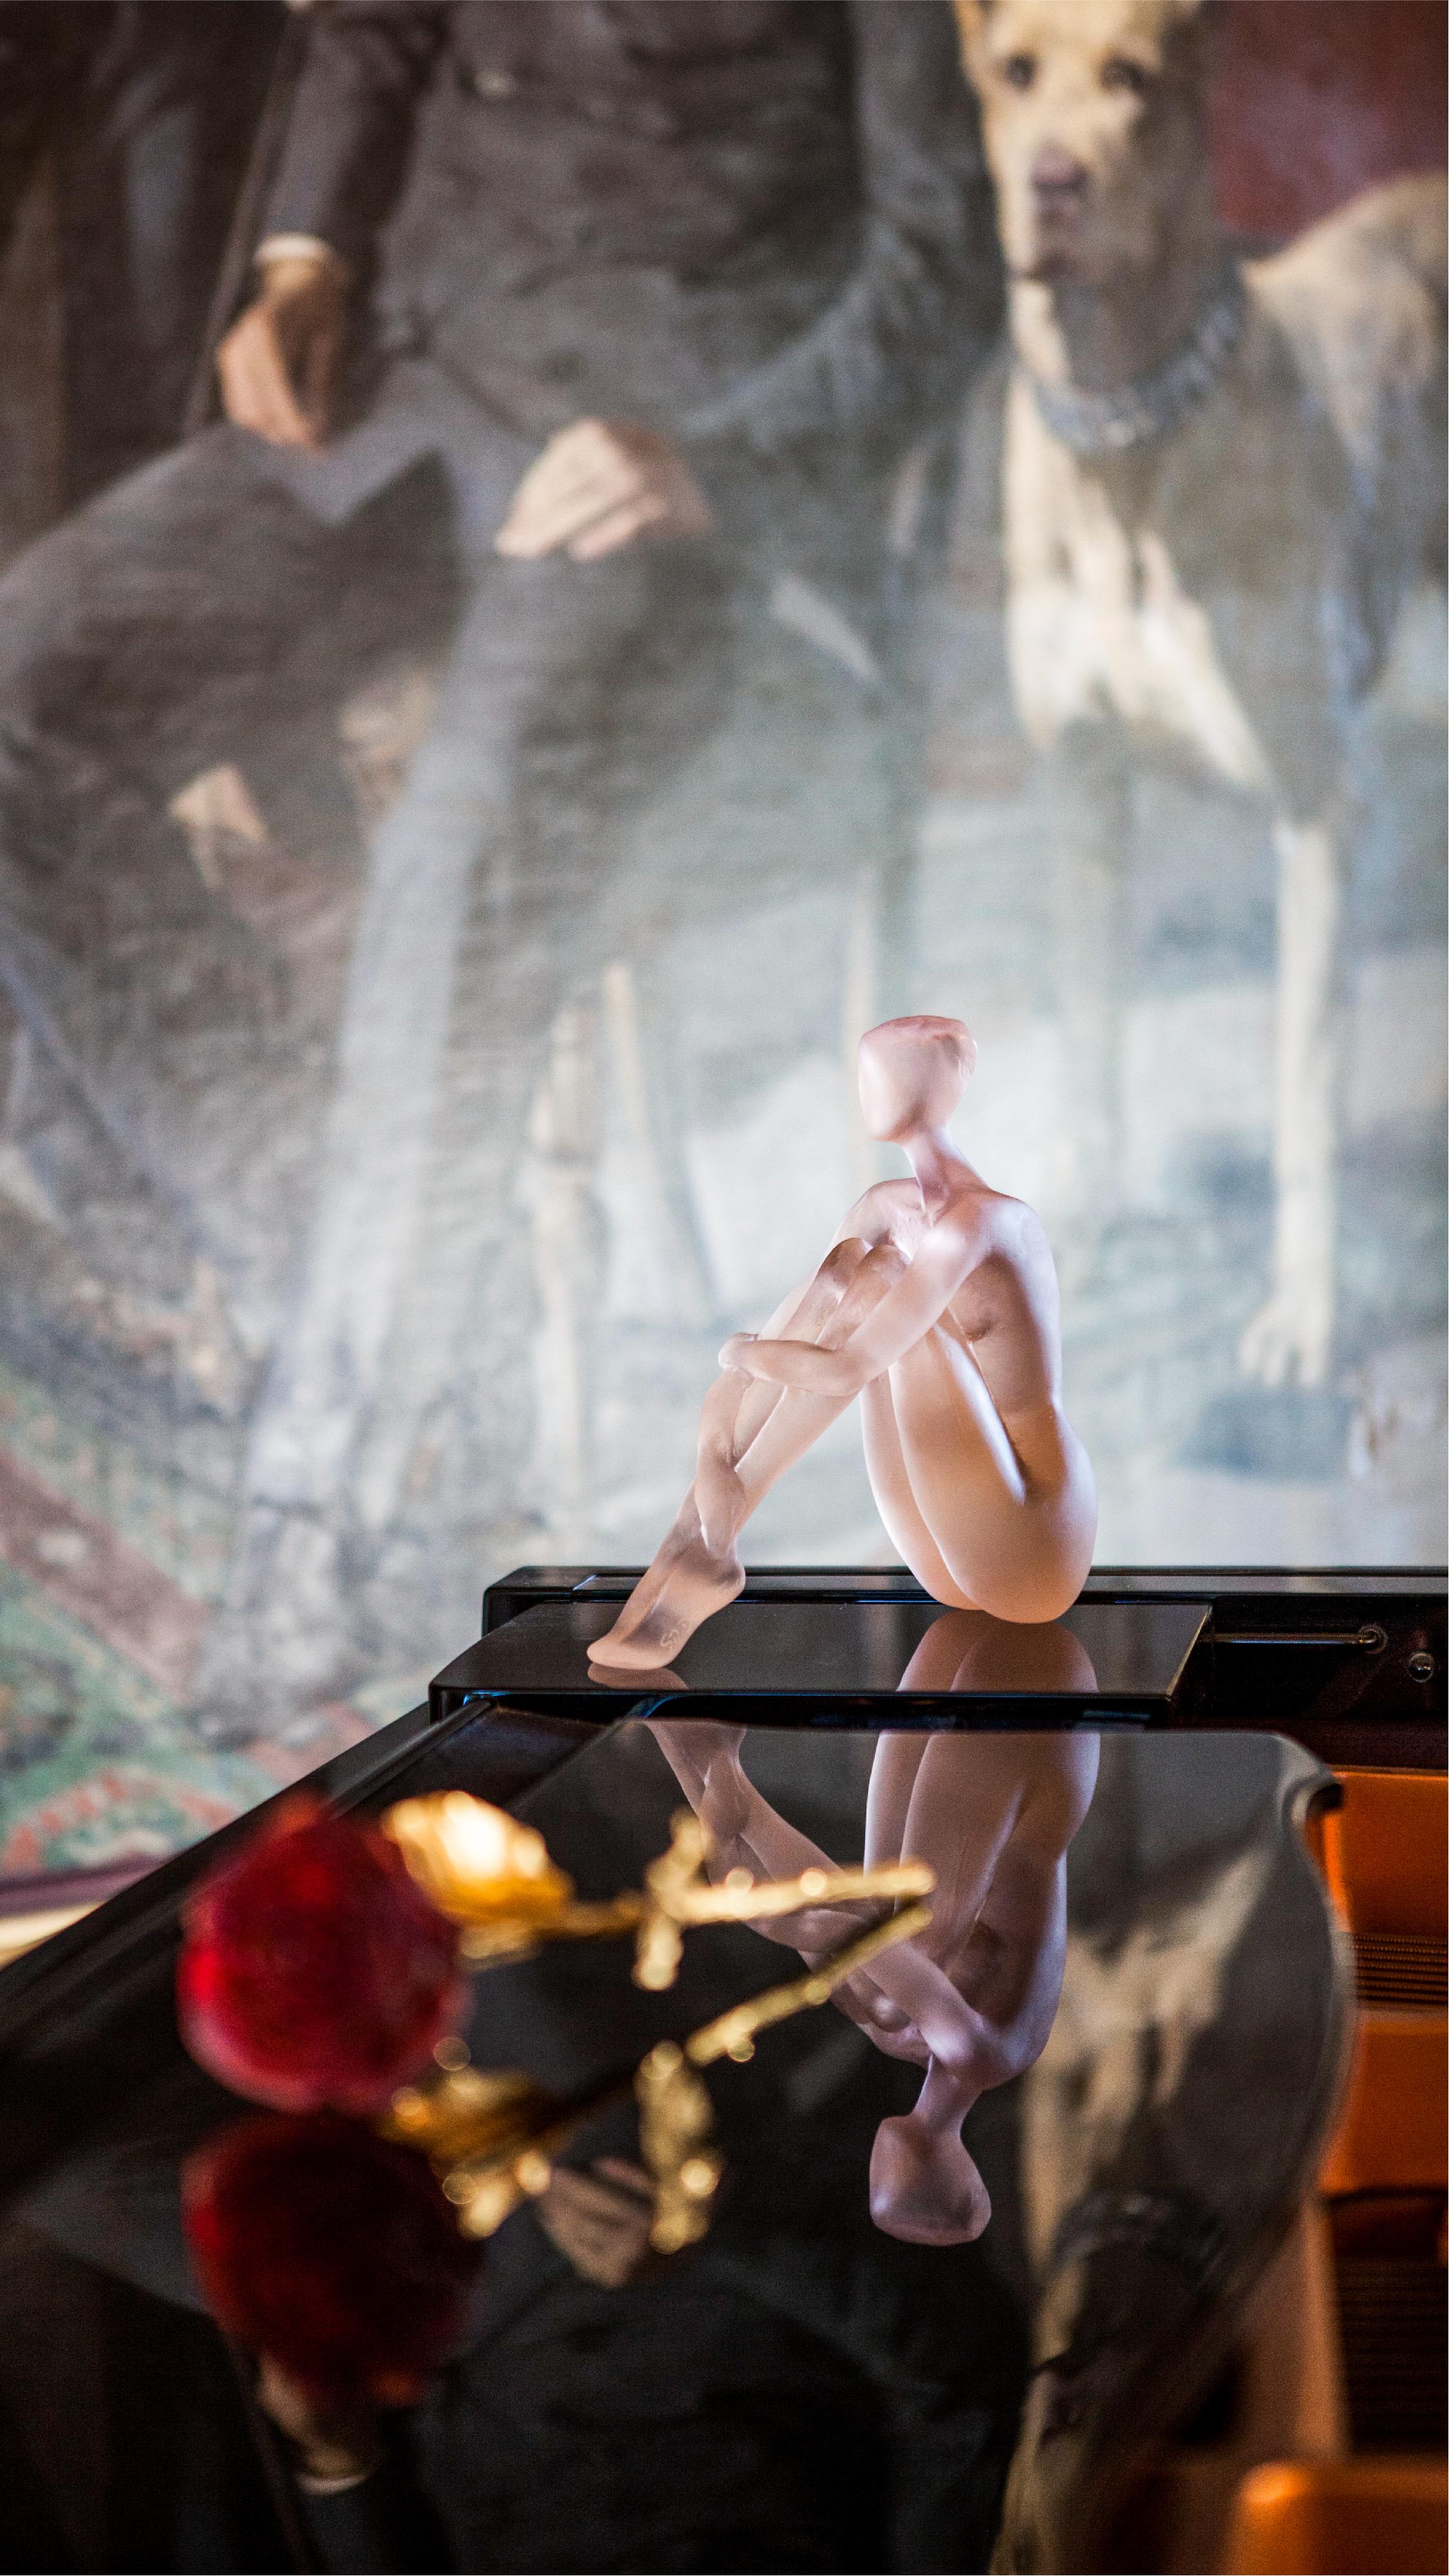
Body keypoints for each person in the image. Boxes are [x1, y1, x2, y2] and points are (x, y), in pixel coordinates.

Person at [0, 4, 1002, 1736]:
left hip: (656, 467)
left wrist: (713, 459)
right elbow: (373, 24)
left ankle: (325, 1490)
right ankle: (326, 1229)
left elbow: (940, 271)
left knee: (454, 853)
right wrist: (305, 258)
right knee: (25, 688)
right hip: (404, 398)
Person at [594, 1013, 1098, 1671]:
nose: (871, 1087)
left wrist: (739, 1355)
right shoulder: (885, 1206)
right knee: (847, 1274)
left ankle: (713, 1542)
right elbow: (796, 1327)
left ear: (944, 1083)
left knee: (880, 1277)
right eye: (867, 1073)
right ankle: (700, 1544)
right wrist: (715, 1450)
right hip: (946, 1542)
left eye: (890, 1071)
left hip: (1034, 1528)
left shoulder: (981, 1222)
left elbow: (844, 1367)